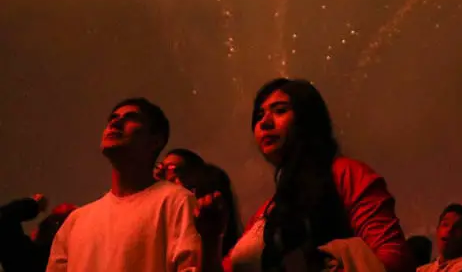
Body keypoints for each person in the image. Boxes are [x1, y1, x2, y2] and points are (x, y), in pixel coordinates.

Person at [195, 78, 413, 272]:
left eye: (280, 110)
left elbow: (393, 259)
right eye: (259, 116)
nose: (265, 122)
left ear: (307, 119)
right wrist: (211, 239)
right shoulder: (266, 213)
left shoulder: (346, 174)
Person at [47, 97, 202, 271]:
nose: (116, 122)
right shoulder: (76, 222)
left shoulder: (176, 202)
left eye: (131, 117)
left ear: (155, 141)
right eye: (113, 117)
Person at [417, 205, 462, 272]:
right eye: (445, 224)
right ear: (437, 230)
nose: (450, 229)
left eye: (458, 227)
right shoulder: (423, 270)